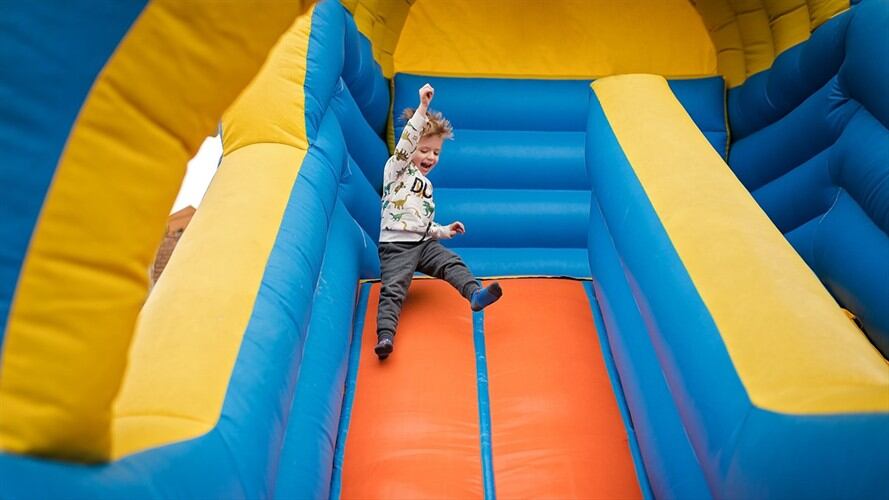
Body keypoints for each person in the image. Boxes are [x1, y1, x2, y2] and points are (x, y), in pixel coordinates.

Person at [374, 83, 502, 360]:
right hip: (396, 246)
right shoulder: (396, 170)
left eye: (436, 152)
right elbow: (407, 143)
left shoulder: (425, 186)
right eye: (424, 150)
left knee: (451, 262)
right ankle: (385, 335)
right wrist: (422, 108)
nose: (430, 157)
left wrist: (443, 231)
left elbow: (421, 223)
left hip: (422, 243)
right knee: (394, 289)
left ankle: (474, 295)